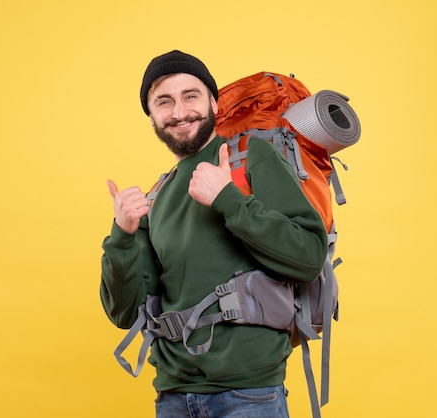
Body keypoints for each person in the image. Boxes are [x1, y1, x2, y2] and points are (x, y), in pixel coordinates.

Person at [100, 50, 328, 418]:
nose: (179, 111)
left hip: (249, 395)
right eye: (164, 101)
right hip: (173, 395)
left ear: (213, 101)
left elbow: (307, 258)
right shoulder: (155, 197)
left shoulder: (251, 156)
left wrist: (227, 199)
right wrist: (122, 236)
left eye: (191, 96)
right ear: (152, 115)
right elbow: (124, 313)